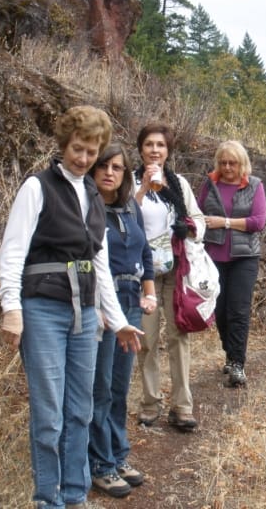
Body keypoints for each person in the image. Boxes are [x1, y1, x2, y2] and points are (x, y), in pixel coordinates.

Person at [0, 105, 144, 509]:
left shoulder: (93, 194)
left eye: (91, 151)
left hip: (85, 314)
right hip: (43, 310)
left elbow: (99, 263)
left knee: (80, 410)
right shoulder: (37, 187)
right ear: (64, 145)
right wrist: (12, 307)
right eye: (78, 148)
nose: (83, 158)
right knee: (50, 416)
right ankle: (49, 499)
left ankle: (76, 496)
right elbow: (12, 251)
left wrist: (117, 321)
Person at [87, 143, 157, 498]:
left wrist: (150, 292)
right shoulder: (86, 206)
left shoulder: (130, 207)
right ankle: (100, 464)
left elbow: (145, 250)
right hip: (101, 303)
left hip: (130, 302)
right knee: (99, 387)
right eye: (103, 166)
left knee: (118, 386)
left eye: (117, 167)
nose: (109, 173)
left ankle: (117, 455)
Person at [132, 122, 206, 431]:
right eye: (149, 144)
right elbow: (123, 217)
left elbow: (198, 218)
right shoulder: (129, 181)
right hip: (142, 273)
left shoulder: (179, 184)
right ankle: (150, 402)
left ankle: (182, 406)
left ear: (168, 151)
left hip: (176, 269)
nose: (155, 150)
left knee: (179, 337)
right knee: (146, 339)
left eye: (160, 145)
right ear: (140, 149)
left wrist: (188, 228)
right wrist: (143, 190)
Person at [197, 140, 266, 387]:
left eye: (232, 163)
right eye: (223, 162)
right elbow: (197, 213)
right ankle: (230, 352)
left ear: (242, 163)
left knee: (238, 310)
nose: (227, 167)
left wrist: (224, 222)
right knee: (220, 310)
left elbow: (258, 221)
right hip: (213, 256)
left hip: (244, 258)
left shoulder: (255, 185)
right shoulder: (209, 184)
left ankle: (237, 363)